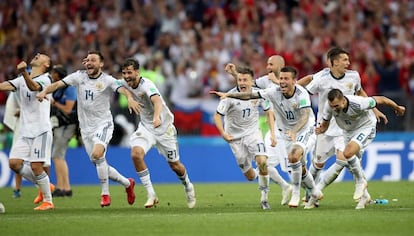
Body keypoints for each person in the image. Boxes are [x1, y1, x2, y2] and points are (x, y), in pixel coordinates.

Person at [37, 51, 140, 207]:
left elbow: (122, 88)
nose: (90, 62)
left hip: (103, 124)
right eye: (88, 60)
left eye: (94, 60)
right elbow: (58, 84)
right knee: (100, 163)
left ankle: (105, 194)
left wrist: (130, 98)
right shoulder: (79, 76)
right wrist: (45, 91)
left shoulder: (107, 80)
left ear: (101, 64)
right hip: (86, 129)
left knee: (98, 155)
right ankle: (127, 184)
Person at [211, 66, 322, 208]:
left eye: (286, 79)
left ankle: (295, 193)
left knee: (293, 157)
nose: (282, 81)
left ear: (294, 81)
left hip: (305, 129)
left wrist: (293, 131)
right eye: (281, 78)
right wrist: (228, 95)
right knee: (300, 166)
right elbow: (250, 94)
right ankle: (314, 191)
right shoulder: (273, 91)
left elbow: (305, 115)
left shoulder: (302, 94)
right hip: (285, 133)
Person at [297, 47, 387, 204]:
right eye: (345, 60)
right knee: (318, 163)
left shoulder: (354, 76)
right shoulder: (322, 77)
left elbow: (361, 94)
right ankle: (310, 194)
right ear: (334, 62)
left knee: (344, 158)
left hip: (345, 126)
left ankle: (360, 193)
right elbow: (306, 87)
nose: (348, 63)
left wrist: (375, 110)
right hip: (324, 125)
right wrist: (291, 88)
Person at [119, 58, 196, 209]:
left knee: (175, 165)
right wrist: (128, 97)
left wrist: (156, 117)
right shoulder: (124, 83)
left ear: (137, 72)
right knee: (136, 154)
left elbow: (157, 101)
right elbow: (115, 85)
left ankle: (187, 185)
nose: (126, 76)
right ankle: (151, 194)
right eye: (124, 73)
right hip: (146, 128)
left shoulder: (147, 84)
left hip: (163, 129)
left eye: (129, 72)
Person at [314, 88, 405, 209]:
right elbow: (325, 125)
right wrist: (320, 130)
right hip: (347, 132)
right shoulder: (329, 107)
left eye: (336, 105)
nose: (334, 108)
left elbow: (382, 99)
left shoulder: (359, 103)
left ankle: (361, 182)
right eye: (332, 106)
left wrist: (397, 108)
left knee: (347, 153)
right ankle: (365, 197)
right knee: (352, 165)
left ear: (343, 100)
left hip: (366, 127)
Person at [224, 55, 294, 206]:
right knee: (263, 162)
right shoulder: (263, 81)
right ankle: (282, 188)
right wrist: (235, 73)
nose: (268, 67)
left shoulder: (289, 80)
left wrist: (277, 82)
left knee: (293, 164)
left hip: (288, 127)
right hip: (273, 126)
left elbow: (292, 91)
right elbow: (248, 86)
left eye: (271, 64)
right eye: (267, 64)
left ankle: (306, 193)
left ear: (280, 66)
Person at [214, 66, 275, 210]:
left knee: (262, 161)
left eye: (245, 80)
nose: (242, 82)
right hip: (234, 138)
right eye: (239, 79)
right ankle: (260, 174)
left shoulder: (258, 94)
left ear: (251, 81)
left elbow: (269, 112)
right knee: (249, 176)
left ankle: (264, 198)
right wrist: (223, 133)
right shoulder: (229, 96)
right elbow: (217, 116)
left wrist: (272, 133)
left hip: (253, 133)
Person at [0, 53, 55, 210]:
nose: (37, 55)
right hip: (25, 132)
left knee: (36, 167)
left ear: (46, 64)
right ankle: (45, 184)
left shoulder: (46, 79)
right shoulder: (21, 80)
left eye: (41, 55)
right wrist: (23, 74)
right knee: (14, 163)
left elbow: (33, 87)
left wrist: (24, 72)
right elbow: (4, 85)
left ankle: (48, 201)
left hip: (41, 131)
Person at [49, 65, 77, 197]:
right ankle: (66, 187)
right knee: (60, 156)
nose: (51, 74)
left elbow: (68, 109)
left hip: (67, 124)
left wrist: (54, 103)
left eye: (53, 72)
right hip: (60, 125)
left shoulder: (69, 89)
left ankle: (61, 187)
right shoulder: (59, 87)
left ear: (58, 75)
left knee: (57, 155)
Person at [3, 92, 23, 198]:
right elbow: (11, 108)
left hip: (36, 128)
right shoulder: (16, 90)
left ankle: (43, 189)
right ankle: (17, 188)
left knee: (40, 162)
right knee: (17, 160)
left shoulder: (38, 86)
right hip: (20, 128)